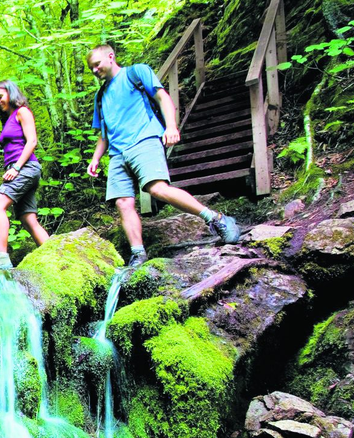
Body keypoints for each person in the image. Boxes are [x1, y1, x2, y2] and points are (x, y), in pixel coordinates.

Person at [85, 44, 240, 269]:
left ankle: (216, 219)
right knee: (123, 202)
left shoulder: (136, 73)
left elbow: (163, 98)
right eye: (91, 67)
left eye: (97, 64)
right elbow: (104, 134)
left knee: (157, 189)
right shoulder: (100, 97)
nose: (94, 70)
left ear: (111, 57)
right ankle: (138, 254)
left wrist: (171, 127)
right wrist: (96, 158)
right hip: (118, 154)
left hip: (144, 140)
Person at [0, 79, 50, 271]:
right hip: (22, 168)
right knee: (28, 219)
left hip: (25, 168)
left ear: (11, 93)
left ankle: (2, 258)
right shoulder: (8, 119)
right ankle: (56, 255)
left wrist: (15, 167)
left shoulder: (22, 112)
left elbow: (31, 141)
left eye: (0, 96)